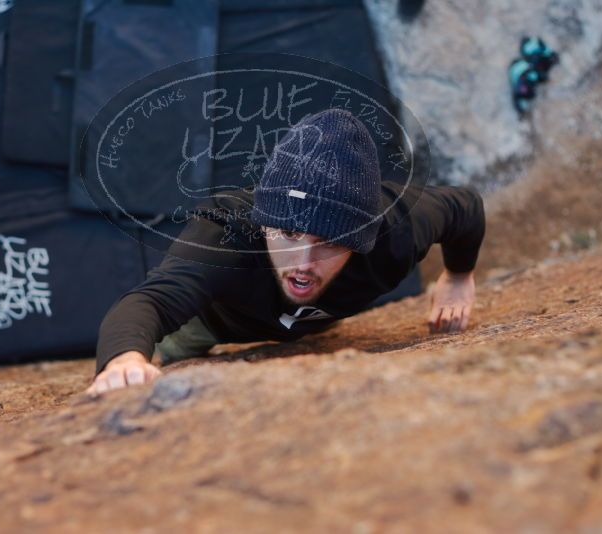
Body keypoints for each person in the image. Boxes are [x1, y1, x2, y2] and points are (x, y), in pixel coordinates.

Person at [89, 109, 485, 394]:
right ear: (264, 223)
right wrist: (124, 360)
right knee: (162, 363)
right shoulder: (226, 235)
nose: (304, 264)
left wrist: (457, 276)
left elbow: (465, 207)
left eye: (330, 242)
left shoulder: (395, 229)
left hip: (320, 321)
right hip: (217, 319)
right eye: (290, 233)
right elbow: (151, 303)